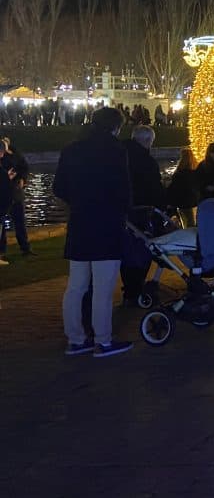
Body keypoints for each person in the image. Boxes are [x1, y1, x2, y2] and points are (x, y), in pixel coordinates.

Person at [53, 106, 133, 358]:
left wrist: (78, 201)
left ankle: (75, 338)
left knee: (76, 286)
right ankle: (103, 339)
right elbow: (123, 189)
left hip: (80, 223)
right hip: (107, 224)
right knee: (102, 287)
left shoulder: (72, 149)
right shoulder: (115, 150)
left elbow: (59, 187)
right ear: (115, 126)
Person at [120, 125, 165, 306]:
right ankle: (136, 287)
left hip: (124, 211)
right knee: (143, 250)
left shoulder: (120, 155)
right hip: (143, 212)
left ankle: (129, 287)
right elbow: (155, 190)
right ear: (147, 141)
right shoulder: (147, 162)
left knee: (127, 252)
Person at [0, 137, 30, 259]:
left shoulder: (14, 155)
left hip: (14, 192)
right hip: (5, 193)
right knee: (2, 223)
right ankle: (2, 251)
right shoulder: (7, 157)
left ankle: (25, 247)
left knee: (19, 221)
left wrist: (22, 178)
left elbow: (23, 166)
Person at [166, 147, 200, 227]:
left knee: (185, 224)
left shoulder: (178, 174)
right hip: (194, 203)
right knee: (193, 224)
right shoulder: (196, 173)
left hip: (181, 204)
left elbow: (173, 189)